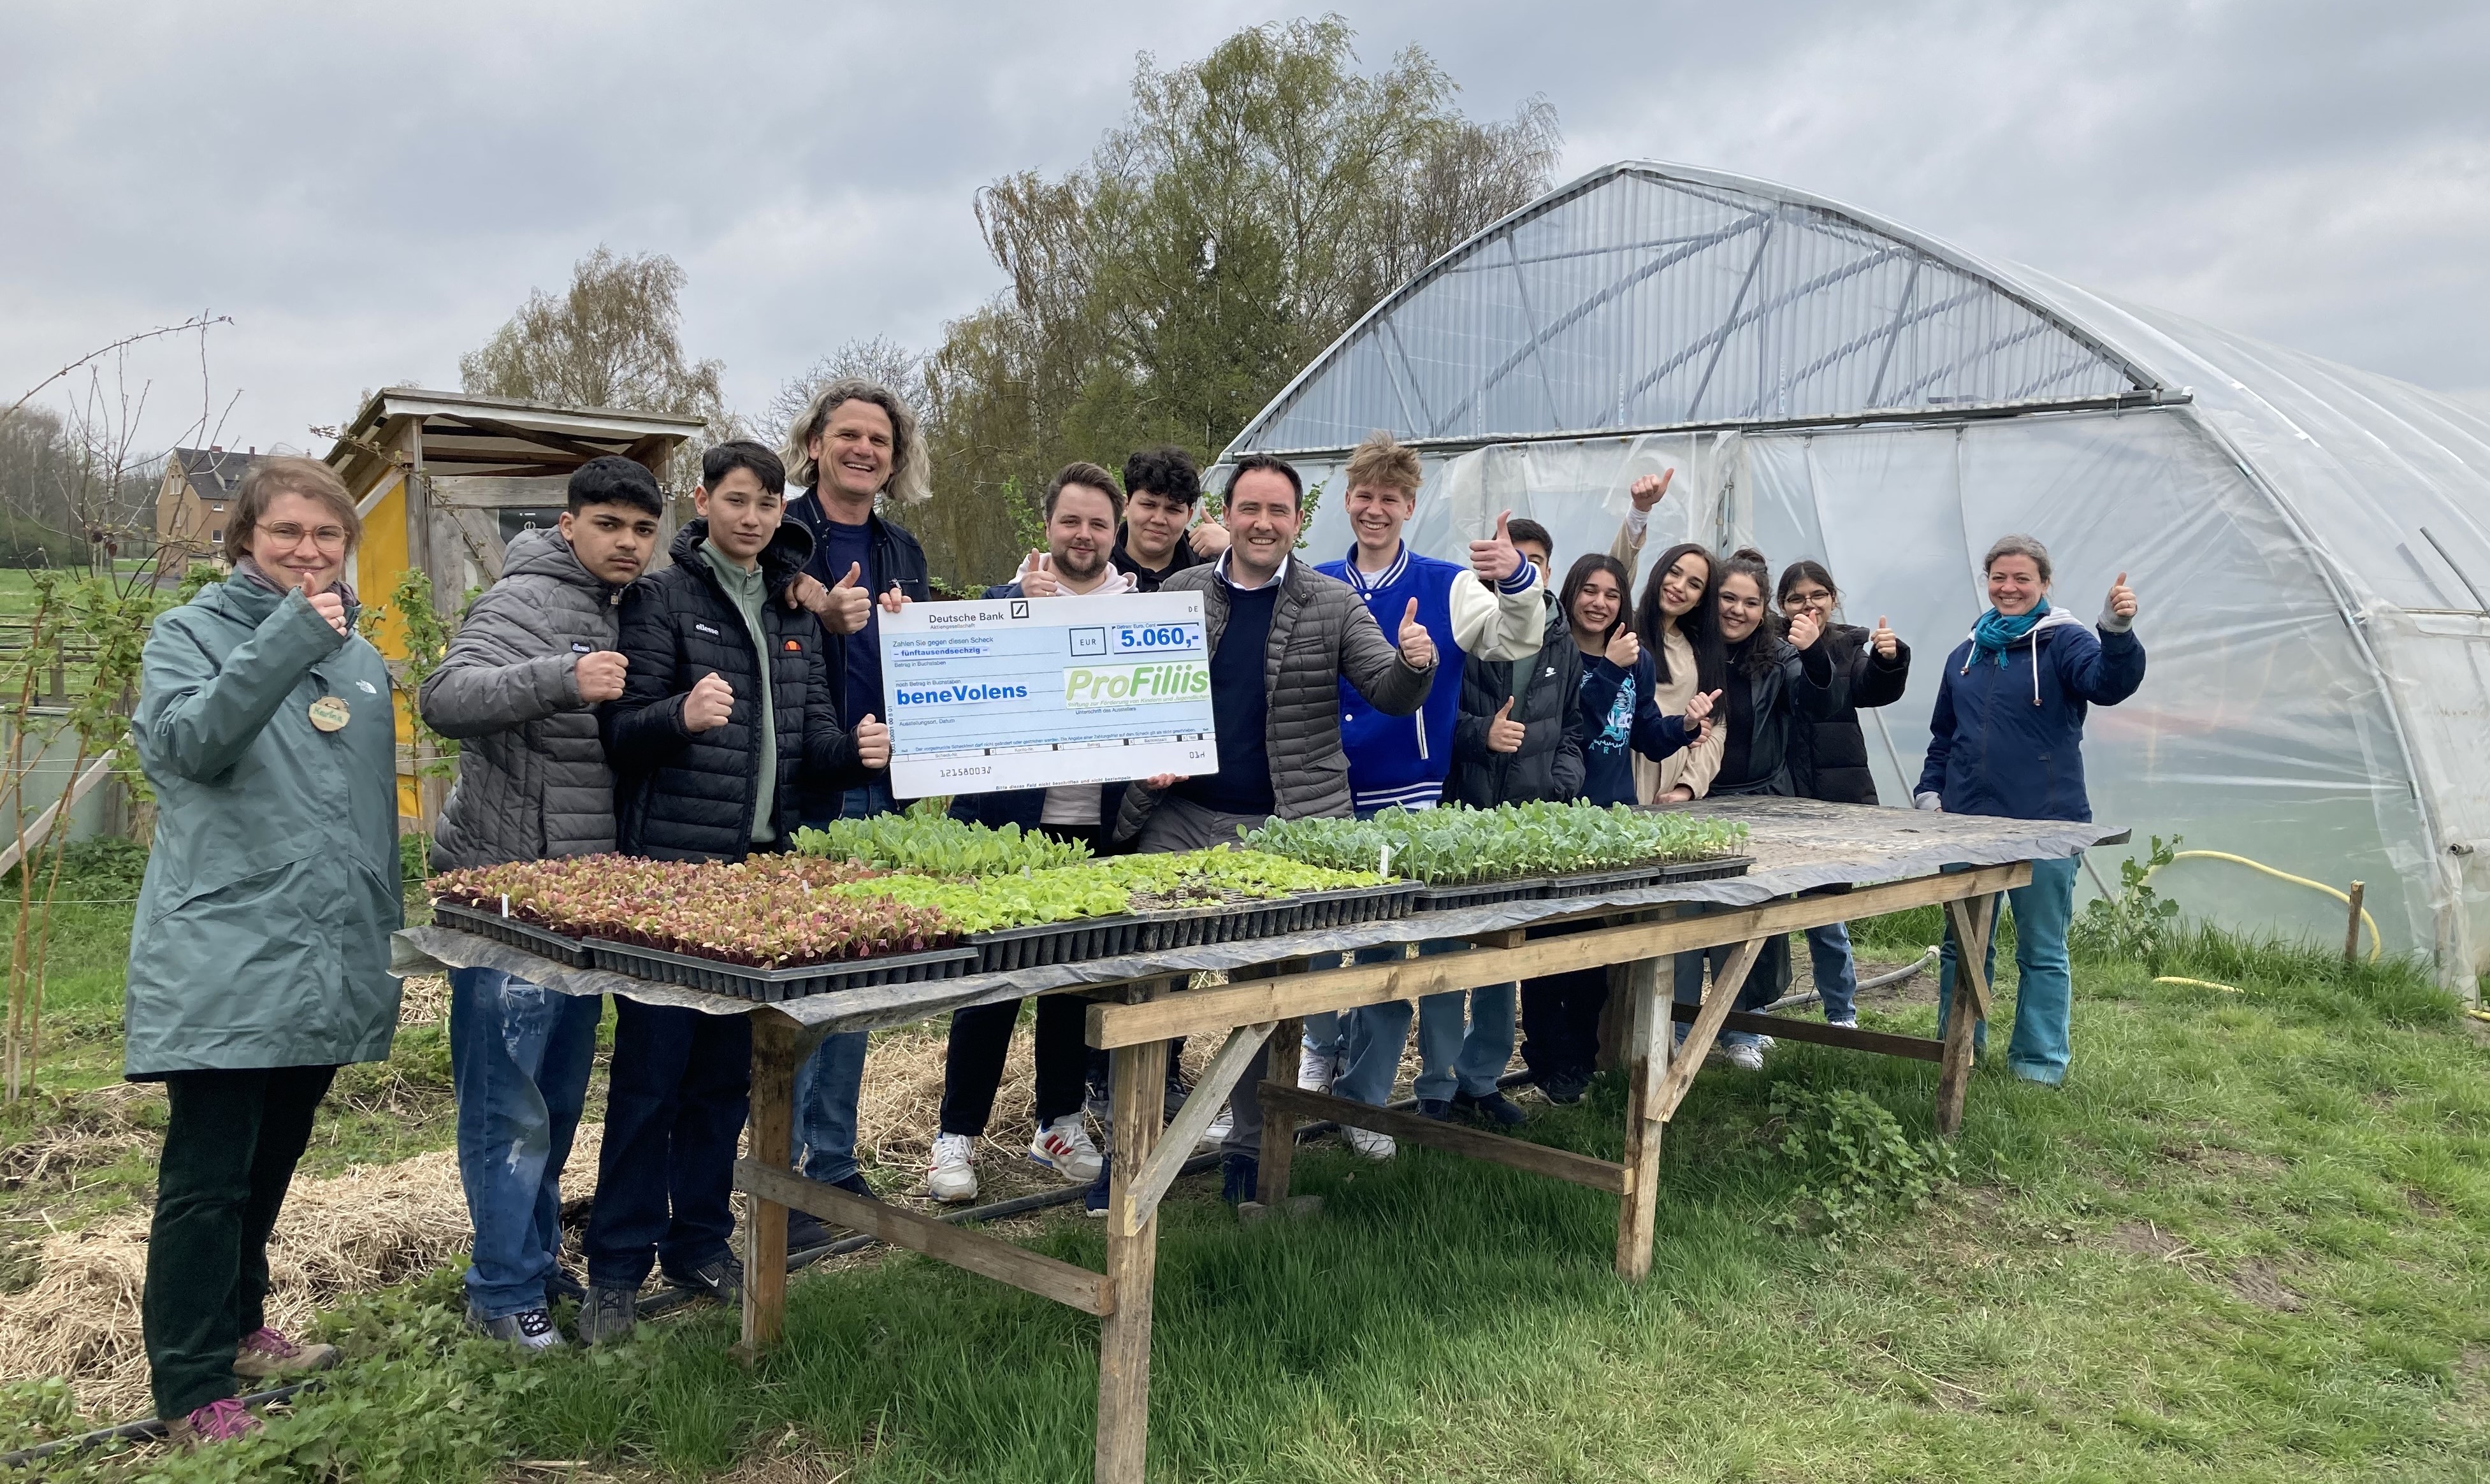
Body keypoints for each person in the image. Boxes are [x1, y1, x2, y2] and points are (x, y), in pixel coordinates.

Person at [585, 441, 890, 1343]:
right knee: (650, 1079)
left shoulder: (789, 609)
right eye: (737, 500)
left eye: (767, 503)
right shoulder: (661, 598)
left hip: (761, 885)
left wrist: (858, 748)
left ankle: (699, 1242)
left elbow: (808, 742)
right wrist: (676, 716)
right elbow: (617, 732)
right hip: (677, 879)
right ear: (704, 500)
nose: (753, 517)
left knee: (724, 1078)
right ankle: (614, 1266)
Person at [127, 457, 400, 1446]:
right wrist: (287, 637)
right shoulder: (188, 634)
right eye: (287, 533)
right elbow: (188, 746)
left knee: (276, 1151)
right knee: (208, 1175)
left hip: (326, 944)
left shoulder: (357, 656)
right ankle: (192, 1384)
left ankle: (241, 1325)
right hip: (227, 946)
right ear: (244, 536)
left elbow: (361, 808)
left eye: (327, 537)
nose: (308, 552)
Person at [1101, 452, 1437, 1209]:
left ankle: (1249, 1163)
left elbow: (1386, 689)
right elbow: (1125, 698)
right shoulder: (1179, 594)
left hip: (1284, 832)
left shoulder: (1332, 602)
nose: (1261, 523)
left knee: (1264, 999)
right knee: (1150, 981)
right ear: (1227, 515)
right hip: (1182, 819)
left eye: (1277, 511)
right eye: (1248, 509)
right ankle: (1129, 1154)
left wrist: (1417, 664)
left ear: (1296, 522)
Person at [419, 456, 662, 1349]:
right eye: (609, 526)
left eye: (641, 530)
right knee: (505, 1102)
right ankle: (499, 1292)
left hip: (582, 900)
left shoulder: (631, 605)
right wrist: (560, 677)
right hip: (508, 896)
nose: (627, 544)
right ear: (569, 526)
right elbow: (443, 698)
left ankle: (528, 1259)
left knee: (557, 1096)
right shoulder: (520, 603)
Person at [1301, 432, 1545, 1156]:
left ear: (1410, 506)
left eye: (1389, 499)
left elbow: (1513, 638)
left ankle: (1365, 1101)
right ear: (1348, 500)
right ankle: (1317, 1049)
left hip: (1406, 797)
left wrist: (1516, 579)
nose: (1374, 510)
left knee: (1384, 956)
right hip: (1321, 794)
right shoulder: (1314, 580)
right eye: (1363, 496)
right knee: (1314, 943)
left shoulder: (1445, 583)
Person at [930, 464, 1133, 1204]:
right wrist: (1015, 614)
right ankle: (956, 1134)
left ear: (1116, 533)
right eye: (1071, 521)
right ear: (1047, 527)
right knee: (990, 983)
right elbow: (958, 698)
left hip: (1096, 834)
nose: (1084, 536)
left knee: (1068, 986)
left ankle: (1058, 1122)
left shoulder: (1140, 611)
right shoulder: (1003, 602)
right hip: (1011, 832)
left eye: (1098, 524)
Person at [775, 380, 932, 1247]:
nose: (864, 449)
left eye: (879, 439)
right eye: (848, 435)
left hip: (886, 789)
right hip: (807, 789)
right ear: (816, 444)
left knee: (862, 978)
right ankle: (785, 1169)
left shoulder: (900, 550)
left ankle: (835, 1161)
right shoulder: (781, 533)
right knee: (804, 980)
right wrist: (809, 599)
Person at [1920, 537, 2144, 1086]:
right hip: (1968, 823)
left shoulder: (2064, 643)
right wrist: (1931, 794)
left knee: (2041, 949)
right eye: (1999, 577)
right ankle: (1960, 1046)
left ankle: (2038, 1064)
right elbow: (1943, 737)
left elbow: (2108, 684)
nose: (2009, 588)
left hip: (2047, 822)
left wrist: (2114, 633)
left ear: (2044, 584)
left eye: (2021, 578)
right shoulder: (1965, 654)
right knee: (1963, 946)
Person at [1513, 554, 1718, 1100]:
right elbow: (1568, 723)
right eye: (1589, 591)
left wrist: (1685, 725)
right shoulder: (1551, 652)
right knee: (1548, 950)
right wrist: (1607, 668)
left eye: (1610, 594)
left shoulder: (1637, 659)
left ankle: (1578, 1063)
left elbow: (1644, 734)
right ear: (1572, 594)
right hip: (1558, 822)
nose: (1599, 603)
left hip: (1614, 823)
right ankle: (1546, 1061)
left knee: (1596, 956)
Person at [1672, 549, 1848, 1070]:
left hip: (1757, 803)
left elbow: (1820, 703)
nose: (1737, 610)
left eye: (1750, 602)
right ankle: (1678, 1028)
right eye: (1727, 597)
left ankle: (1741, 1026)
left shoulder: (1777, 654)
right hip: (1686, 802)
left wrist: (1815, 654)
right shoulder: (1686, 647)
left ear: (1763, 608)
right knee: (1685, 922)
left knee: (1745, 923)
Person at [1435, 533, 1589, 1124]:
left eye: (1531, 561)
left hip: (1527, 822)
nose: (1517, 568)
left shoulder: (1560, 638)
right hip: (1462, 815)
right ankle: (1434, 1084)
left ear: (1546, 571)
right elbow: (1429, 712)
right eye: (1504, 557)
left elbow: (1573, 724)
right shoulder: (1467, 621)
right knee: (1449, 959)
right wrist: (1480, 734)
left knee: (1504, 960)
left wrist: (1559, 785)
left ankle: (1481, 1077)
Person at [1776, 559, 1911, 1030]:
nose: (1807, 604)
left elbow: (1871, 689)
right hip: (1781, 791)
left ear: (1833, 599)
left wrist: (1888, 660)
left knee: (1825, 910)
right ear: (1780, 605)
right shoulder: (1770, 645)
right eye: (1796, 598)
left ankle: (1841, 1013)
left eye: (1817, 595)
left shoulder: (1846, 643)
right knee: (1762, 912)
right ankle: (1747, 1018)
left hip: (1835, 793)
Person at [1612, 471, 1728, 805]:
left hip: (1671, 782)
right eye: (1674, 573)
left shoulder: (1700, 651)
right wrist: (1639, 512)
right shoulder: (1625, 631)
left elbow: (1715, 726)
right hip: (1622, 770)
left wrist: (1688, 788)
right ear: (1659, 572)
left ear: (1702, 599)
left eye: (1694, 584)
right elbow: (1613, 574)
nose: (1679, 587)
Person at [1110, 444, 1229, 592]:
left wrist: (1234, 550)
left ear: (1189, 516)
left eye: (1173, 509)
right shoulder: (1095, 566)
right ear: (1126, 506)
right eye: (1149, 505)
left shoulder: (1217, 571)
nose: (1159, 519)